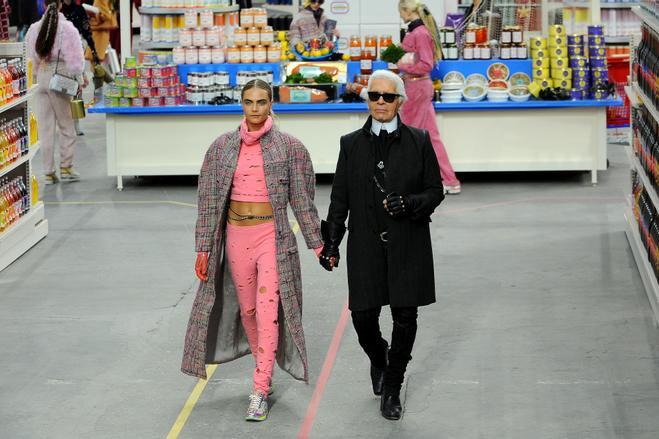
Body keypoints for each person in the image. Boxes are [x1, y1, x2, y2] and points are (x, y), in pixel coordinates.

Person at [181, 79, 324, 422]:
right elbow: (208, 202)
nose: (256, 108)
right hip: (235, 238)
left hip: (271, 239)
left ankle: (259, 388)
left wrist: (317, 244)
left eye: (262, 102)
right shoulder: (222, 148)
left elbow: (303, 202)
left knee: (268, 312)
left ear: (271, 103)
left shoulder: (290, 148)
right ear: (241, 104)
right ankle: (265, 368)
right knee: (247, 312)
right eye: (249, 102)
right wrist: (203, 248)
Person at [319, 69, 445, 420]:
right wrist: (331, 243)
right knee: (362, 317)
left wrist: (411, 203)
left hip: (408, 242)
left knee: (405, 316)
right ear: (367, 99)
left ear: (400, 101)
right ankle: (379, 356)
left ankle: (392, 386)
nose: (381, 102)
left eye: (388, 97)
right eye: (375, 96)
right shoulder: (351, 143)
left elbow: (436, 190)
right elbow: (340, 197)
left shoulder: (419, 140)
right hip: (365, 244)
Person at [397, 0, 461, 195]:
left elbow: (426, 64)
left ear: (407, 11)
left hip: (416, 87)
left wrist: (402, 65)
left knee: (408, 136)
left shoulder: (420, 33)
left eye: (401, 12)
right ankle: (449, 180)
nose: (400, 16)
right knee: (431, 137)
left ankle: (413, 181)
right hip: (417, 86)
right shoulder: (419, 31)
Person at [26, 0, 85, 184]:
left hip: (41, 77)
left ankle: (48, 172)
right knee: (67, 125)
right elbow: (75, 60)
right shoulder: (68, 29)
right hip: (61, 77)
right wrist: (80, 79)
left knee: (45, 128)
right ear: (60, 5)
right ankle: (66, 167)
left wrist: (37, 75)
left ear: (44, 5)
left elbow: (31, 57)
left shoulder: (34, 29)